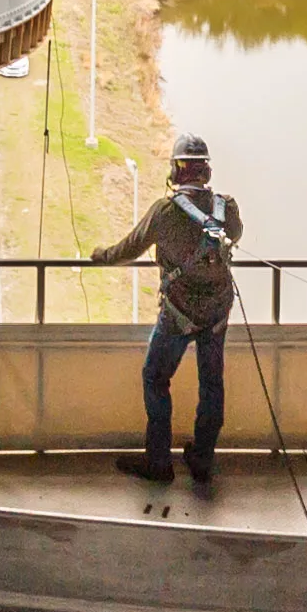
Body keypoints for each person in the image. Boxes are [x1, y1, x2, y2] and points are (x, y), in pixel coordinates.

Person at [91, 135, 245, 493]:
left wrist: (101, 255)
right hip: (218, 312)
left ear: (176, 169)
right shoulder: (227, 208)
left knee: (155, 378)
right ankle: (202, 459)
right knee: (212, 384)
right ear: (206, 170)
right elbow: (234, 235)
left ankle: (159, 461)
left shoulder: (166, 212)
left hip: (179, 313)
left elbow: (127, 249)